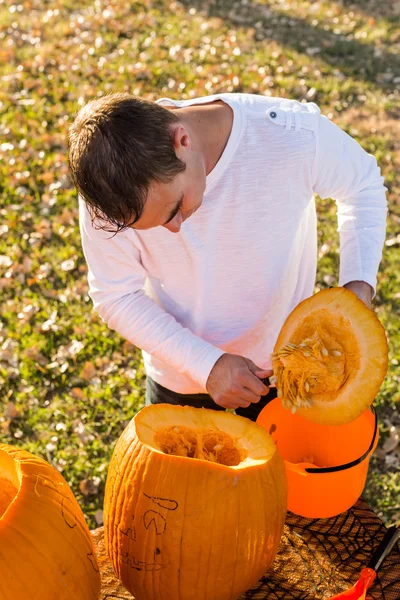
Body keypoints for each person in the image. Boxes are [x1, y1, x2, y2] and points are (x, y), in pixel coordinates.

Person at [68, 92, 387, 422]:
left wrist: (358, 286)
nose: (175, 229)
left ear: (183, 140)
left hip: (289, 367)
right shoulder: (107, 188)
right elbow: (116, 295)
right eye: (154, 225)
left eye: (175, 208)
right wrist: (205, 364)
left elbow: (362, 186)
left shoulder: (292, 136)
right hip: (181, 374)